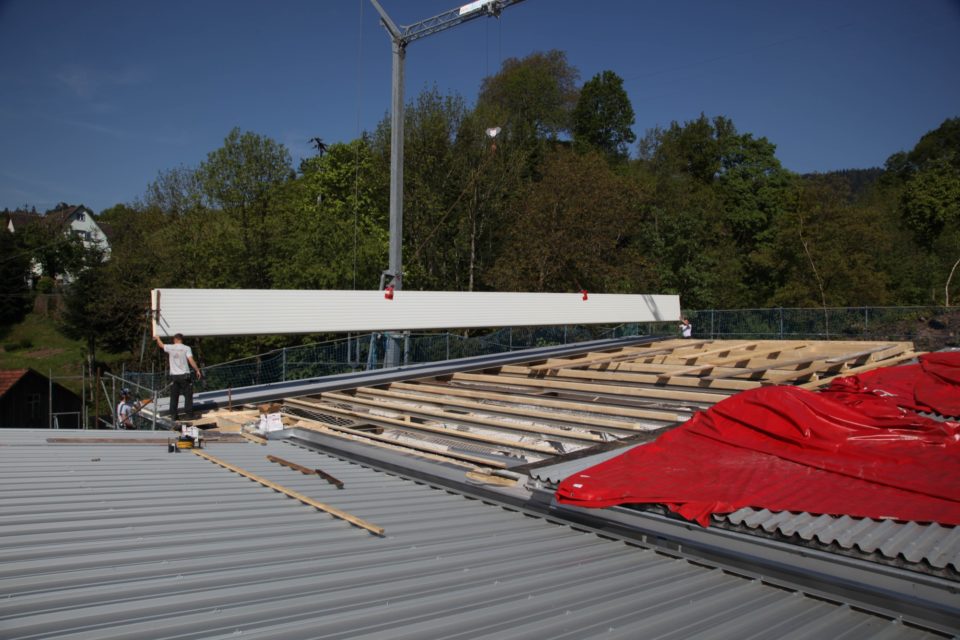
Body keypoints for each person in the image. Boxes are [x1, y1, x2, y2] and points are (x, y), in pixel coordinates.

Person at [154, 333, 202, 423]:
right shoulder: (186, 348)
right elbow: (191, 360)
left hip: (174, 377)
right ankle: (189, 415)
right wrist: (197, 370)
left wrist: (158, 338)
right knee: (188, 395)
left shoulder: (170, 347)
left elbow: (161, 345)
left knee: (174, 396)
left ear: (176, 339)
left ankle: (174, 416)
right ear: (181, 339)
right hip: (184, 376)